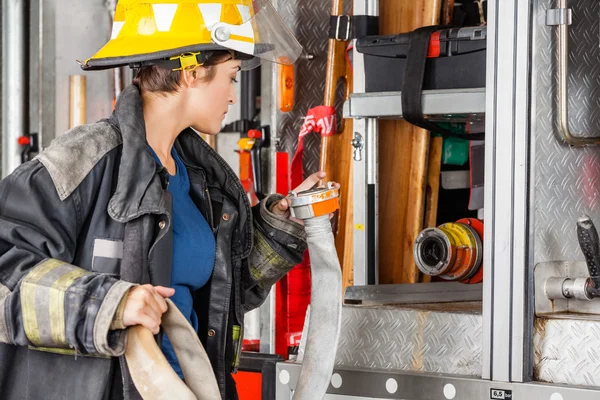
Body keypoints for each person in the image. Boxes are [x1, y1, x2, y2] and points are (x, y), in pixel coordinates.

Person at [0, 1, 334, 398]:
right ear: (192, 73)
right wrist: (108, 304)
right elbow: (6, 281)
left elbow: (220, 295)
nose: (232, 94)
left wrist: (279, 227)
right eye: (231, 77)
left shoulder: (202, 179)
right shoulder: (82, 161)